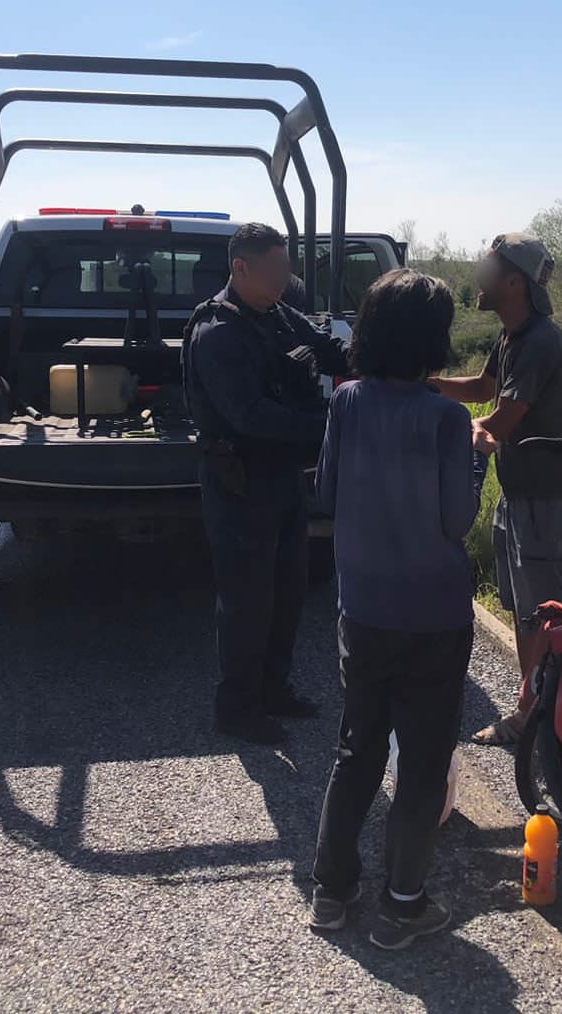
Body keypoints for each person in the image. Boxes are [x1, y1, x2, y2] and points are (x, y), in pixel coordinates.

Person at [309, 269, 485, 949]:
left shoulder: (347, 401)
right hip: (434, 615)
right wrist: (476, 463)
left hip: (364, 606)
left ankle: (331, 890)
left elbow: (326, 492)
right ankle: (403, 904)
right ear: (433, 339)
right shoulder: (447, 418)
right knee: (421, 760)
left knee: (355, 749)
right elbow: (455, 521)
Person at [183, 223, 350, 745]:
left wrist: (382, 369)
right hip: (240, 483)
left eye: (287, 269)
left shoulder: (275, 314)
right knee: (246, 600)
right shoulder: (219, 333)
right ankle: (237, 708)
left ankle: (274, 689)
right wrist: (333, 423)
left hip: (280, 479)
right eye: (275, 269)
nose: (285, 278)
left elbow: (324, 349)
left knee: (288, 589)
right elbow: (249, 415)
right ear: (241, 269)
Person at [436, 233, 562, 747]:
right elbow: (482, 389)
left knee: (542, 614)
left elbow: (501, 419)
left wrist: (465, 430)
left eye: (489, 267)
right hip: (521, 494)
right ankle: (535, 706)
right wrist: (426, 383)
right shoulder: (513, 336)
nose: (480, 275)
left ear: (514, 281)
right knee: (525, 612)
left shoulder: (539, 341)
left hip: (543, 499)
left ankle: (538, 720)